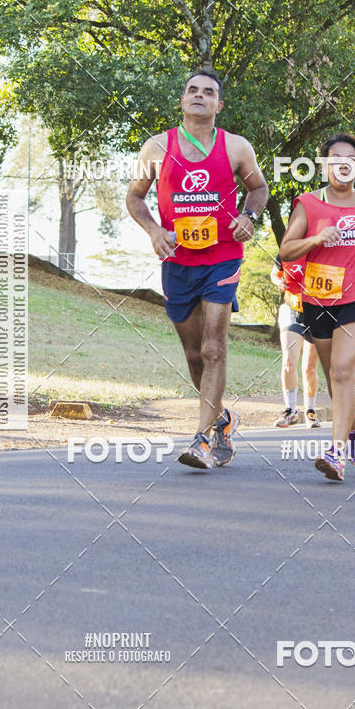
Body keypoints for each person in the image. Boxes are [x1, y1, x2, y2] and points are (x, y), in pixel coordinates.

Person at [126, 69, 268, 468]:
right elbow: (135, 197)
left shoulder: (237, 146)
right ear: (183, 100)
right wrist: (154, 230)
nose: (200, 96)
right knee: (192, 353)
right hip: (177, 261)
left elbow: (258, 188)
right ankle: (221, 419)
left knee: (213, 347)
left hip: (222, 256)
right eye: (193, 90)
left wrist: (248, 216)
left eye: (209, 92)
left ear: (219, 105)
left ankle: (201, 439)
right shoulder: (156, 147)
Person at [280, 133, 355, 481]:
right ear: (324, 165)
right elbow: (286, 251)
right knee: (334, 376)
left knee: (344, 368)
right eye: (335, 158)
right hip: (319, 298)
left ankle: (336, 453)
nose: (342, 163)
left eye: (350, 158)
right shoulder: (308, 204)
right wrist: (315, 238)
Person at [270, 254, 321, 427]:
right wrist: (279, 282)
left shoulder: (325, 249)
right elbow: (274, 273)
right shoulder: (288, 250)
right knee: (289, 362)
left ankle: (310, 410)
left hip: (317, 313)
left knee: (309, 368)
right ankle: (290, 410)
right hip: (292, 310)